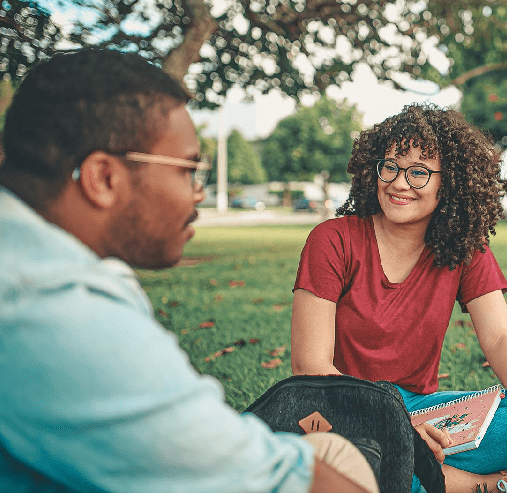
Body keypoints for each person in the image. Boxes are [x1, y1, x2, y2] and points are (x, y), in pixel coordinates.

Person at [0, 49, 377, 493]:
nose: (197, 193)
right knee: (341, 462)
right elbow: (280, 481)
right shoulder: (54, 310)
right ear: (104, 178)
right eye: (188, 170)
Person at [290, 104, 507, 493]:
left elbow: (500, 339)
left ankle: (405, 474)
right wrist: (395, 430)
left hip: (419, 412)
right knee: (335, 457)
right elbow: (310, 367)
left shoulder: (464, 248)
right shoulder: (333, 240)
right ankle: (493, 486)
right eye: (389, 166)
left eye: (419, 172)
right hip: (339, 409)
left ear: (451, 183)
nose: (398, 183)